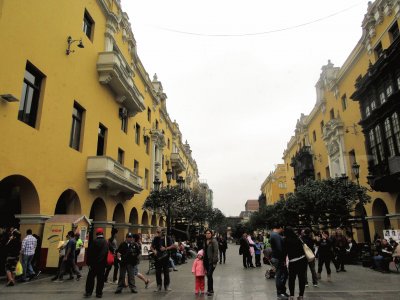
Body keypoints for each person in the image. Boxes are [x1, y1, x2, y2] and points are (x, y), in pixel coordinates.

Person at [84, 228, 108, 298]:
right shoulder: (105, 242)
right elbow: (106, 253)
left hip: (93, 264)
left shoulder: (94, 241)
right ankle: (99, 293)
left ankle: (88, 292)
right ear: (102, 233)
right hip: (102, 264)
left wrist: (88, 263)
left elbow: (89, 253)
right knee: (100, 279)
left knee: (91, 278)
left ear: (96, 234)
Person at [151, 227, 177, 292]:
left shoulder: (167, 238)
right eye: (157, 232)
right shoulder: (156, 238)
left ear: (162, 232)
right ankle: (159, 286)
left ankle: (166, 286)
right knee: (158, 272)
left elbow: (173, 246)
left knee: (166, 272)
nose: (157, 233)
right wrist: (154, 251)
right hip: (158, 258)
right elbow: (151, 247)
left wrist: (165, 248)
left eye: (158, 232)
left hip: (165, 257)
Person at [285, 226, 307, 300]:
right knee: (301, 278)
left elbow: (284, 252)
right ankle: (301, 296)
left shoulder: (286, 240)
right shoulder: (298, 238)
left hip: (293, 262)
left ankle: (291, 296)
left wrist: (283, 261)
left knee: (291, 279)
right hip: (302, 260)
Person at [270, 224, 288, 300]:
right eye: (282, 228)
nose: (283, 230)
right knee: (279, 275)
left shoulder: (273, 234)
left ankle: (282, 291)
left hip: (276, 258)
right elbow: (279, 248)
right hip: (278, 258)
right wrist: (283, 259)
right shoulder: (275, 235)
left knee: (285, 274)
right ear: (280, 227)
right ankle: (280, 293)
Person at [203, 229, 219, 296]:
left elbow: (216, 252)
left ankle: (211, 290)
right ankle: (209, 290)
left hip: (211, 261)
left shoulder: (214, 241)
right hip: (206, 261)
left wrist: (214, 262)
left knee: (209, 275)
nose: (208, 234)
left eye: (209, 233)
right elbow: (204, 250)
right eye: (206, 233)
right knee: (209, 276)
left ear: (211, 234)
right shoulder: (205, 241)